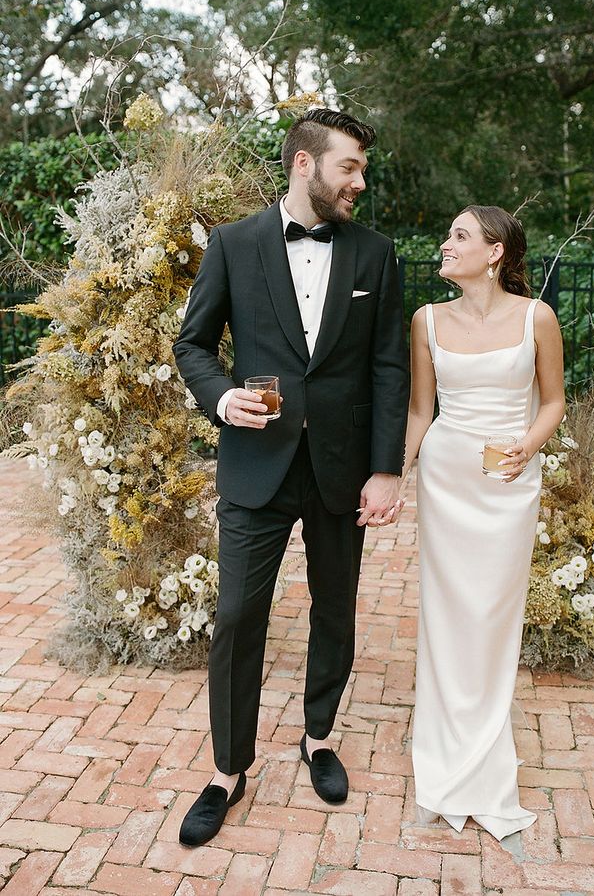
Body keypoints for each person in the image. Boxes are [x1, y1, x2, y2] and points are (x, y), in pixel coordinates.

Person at [173, 108, 409, 847]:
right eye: (349, 167)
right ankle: (227, 769)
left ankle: (318, 737)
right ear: (305, 165)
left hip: (342, 469)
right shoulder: (233, 243)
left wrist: (383, 469)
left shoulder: (376, 253)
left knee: (335, 611)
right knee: (239, 616)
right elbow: (194, 344)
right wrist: (219, 395)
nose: (359, 182)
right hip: (256, 467)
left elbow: (387, 365)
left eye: (362, 169)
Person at [401, 205, 565, 839]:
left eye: (460, 236)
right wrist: (395, 476)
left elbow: (552, 401)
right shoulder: (426, 320)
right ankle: (442, 746)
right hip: (445, 481)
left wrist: (529, 445)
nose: (446, 244)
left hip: (508, 483)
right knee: (445, 612)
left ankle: (485, 744)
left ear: (495, 253)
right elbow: (420, 411)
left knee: (495, 613)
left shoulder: (536, 317)